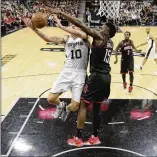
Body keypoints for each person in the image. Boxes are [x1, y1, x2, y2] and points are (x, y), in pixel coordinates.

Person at [46, 8, 116, 147]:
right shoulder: (111, 43)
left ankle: (78, 138)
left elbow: (81, 25)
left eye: (103, 27)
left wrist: (62, 13)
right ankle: (95, 137)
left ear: (107, 32)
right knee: (96, 108)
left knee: (82, 106)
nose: (100, 28)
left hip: (96, 77)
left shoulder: (99, 37)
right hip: (107, 78)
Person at [23, 16, 90, 120]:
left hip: (80, 74)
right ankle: (60, 105)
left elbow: (82, 34)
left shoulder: (85, 37)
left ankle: (67, 109)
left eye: (76, 25)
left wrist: (61, 26)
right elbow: (47, 38)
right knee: (50, 99)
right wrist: (34, 29)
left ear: (81, 27)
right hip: (66, 72)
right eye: (71, 25)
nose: (73, 26)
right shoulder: (66, 39)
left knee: (74, 106)